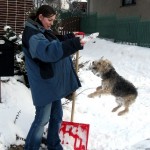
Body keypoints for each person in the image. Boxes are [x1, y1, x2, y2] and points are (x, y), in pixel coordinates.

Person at [22, 4, 86, 150]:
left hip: (51, 82)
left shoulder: (41, 29)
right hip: (43, 83)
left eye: (53, 20)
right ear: (40, 17)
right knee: (42, 120)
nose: (52, 23)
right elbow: (48, 51)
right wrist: (73, 44)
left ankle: (54, 145)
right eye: (49, 20)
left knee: (57, 115)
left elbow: (55, 40)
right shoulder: (31, 34)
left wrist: (71, 37)